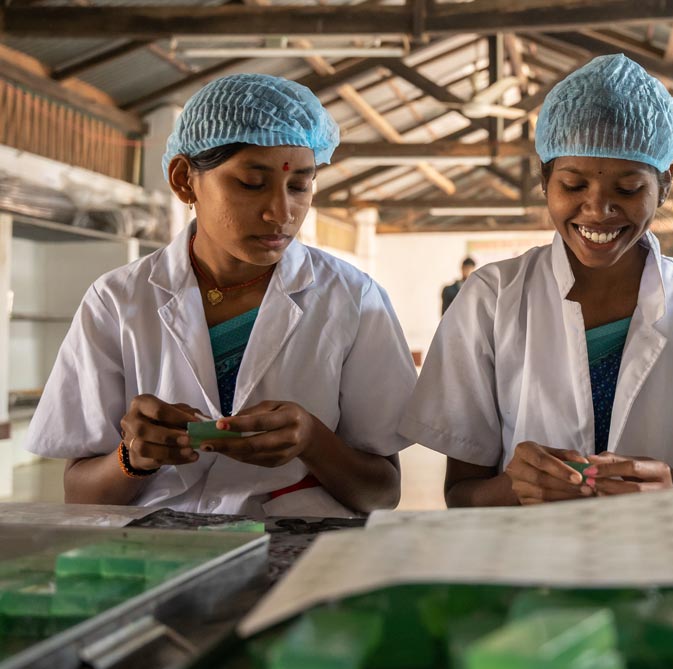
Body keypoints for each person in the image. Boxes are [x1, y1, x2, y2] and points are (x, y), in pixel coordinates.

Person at [400, 55, 673, 507]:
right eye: (573, 185)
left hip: (668, 555)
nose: (597, 210)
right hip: (528, 563)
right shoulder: (492, 300)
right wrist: (515, 486)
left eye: (627, 190)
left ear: (664, 184)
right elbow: (460, 495)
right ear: (545, 179)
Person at [26, 74, 418, 517]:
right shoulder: (118, 300)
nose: (281, 213)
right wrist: (133, 458)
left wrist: (312, 440)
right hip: (159, 548)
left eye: (299, 186)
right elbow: (80, 496)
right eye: (251, 183)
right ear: (183, 180)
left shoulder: (353, 299)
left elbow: (382, 493)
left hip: (302, 546)